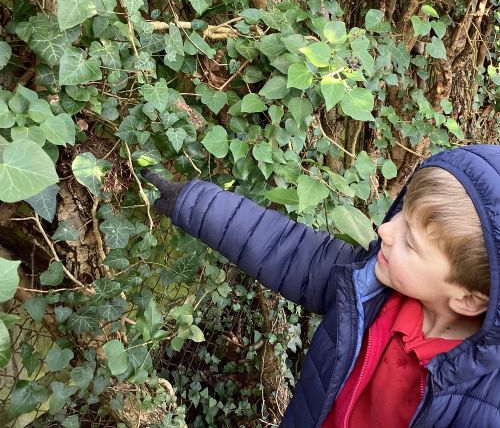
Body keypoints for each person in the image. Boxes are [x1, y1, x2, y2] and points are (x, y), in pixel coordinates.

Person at [141, 144, 500, 427]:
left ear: (468, 299)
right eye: (401, 215)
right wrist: (196, 203)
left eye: (410, 242)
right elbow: (286, 249)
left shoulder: (483, 407)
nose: (385, 231)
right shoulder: (371, 288)